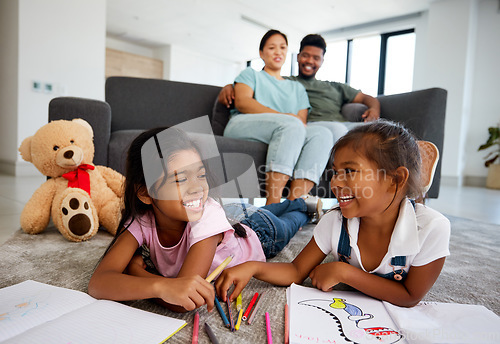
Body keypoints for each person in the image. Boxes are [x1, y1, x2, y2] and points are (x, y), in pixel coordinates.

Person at [215, 120, 451, 308]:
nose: (335, 183)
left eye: (349, 171)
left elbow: (409, 296)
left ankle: (418, 185)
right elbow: (296, 271)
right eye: (335, 172)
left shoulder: (432, 228)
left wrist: (344, 272)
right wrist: (253, 267)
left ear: (396, 179)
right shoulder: (335, 221)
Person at [88, 126, 319, 312]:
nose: (198, 187)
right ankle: (294, 204)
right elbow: (99, 283)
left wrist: (139, 273)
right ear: (145, 193)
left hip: (261, 234)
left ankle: (301, 205)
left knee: (291, 222)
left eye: (200, 174)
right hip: (235, 218)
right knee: (264, 211)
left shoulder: (205, 216)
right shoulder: (142, 220)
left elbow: (181, 301)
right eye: (180, 179)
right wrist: (161, 286)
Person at [222, 29, 333, 205]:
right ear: (261, 53)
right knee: (291, 124)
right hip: (242, 125)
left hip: (285, 130)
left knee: (322, 133)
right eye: (272, 47)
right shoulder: (251, 74)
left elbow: (301, 122)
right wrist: (284, 117)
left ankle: (291, 206)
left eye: (282, 47)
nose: (278, 51)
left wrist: (288, 120)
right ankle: (272, 205)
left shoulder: (297, 88)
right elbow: (243, 102)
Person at [218, 34, 381, 146]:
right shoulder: (287, 83)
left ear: (322, 61)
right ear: (297, 56)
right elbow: (262, 82)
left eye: (316, 58)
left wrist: (374, 109)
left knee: (375, 133)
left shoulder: (335, 87)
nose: (309, 61)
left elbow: (367, 98)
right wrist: (229, 87)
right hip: (310, 125)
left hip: (338, 125)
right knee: (339, 130)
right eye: (305, 55)